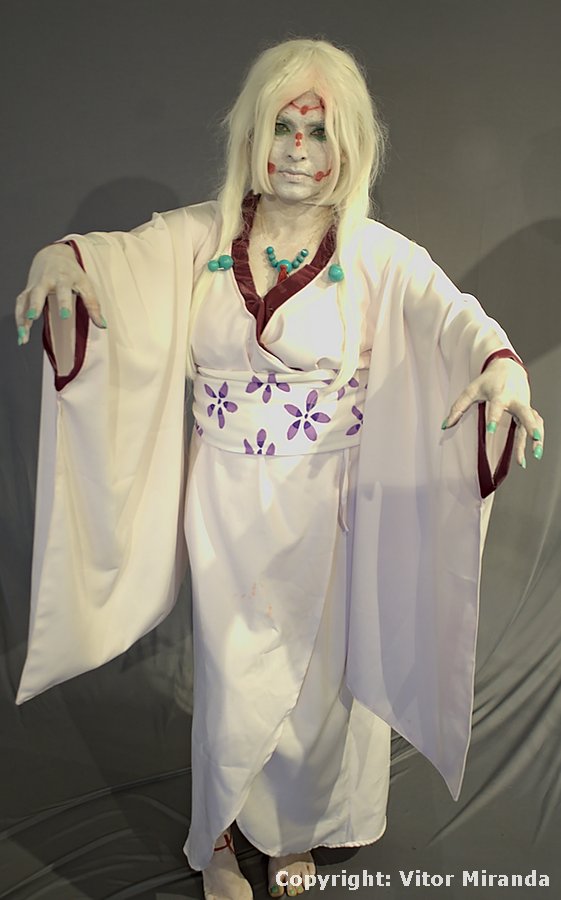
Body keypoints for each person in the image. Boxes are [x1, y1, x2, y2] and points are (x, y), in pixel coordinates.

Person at [14, 38, 544, 900]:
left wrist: (501, 370)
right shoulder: (202, 237)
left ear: (350, 146)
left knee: (318, 684)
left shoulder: (374, 254)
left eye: (319, 131)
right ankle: (222, 835)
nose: (298, 150)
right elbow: (110, 260)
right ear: (252, 136)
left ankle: (293, 833)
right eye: (283, 128)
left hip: (329, 506)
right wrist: (62, 263)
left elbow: (454, 317)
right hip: (225, 502)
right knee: (230, 675)